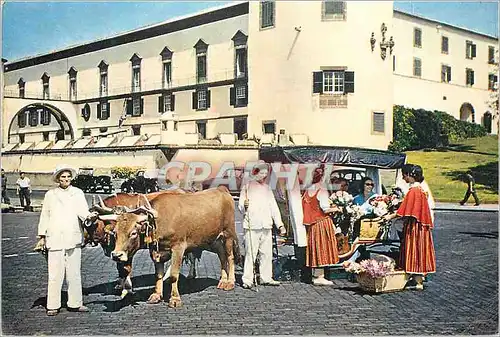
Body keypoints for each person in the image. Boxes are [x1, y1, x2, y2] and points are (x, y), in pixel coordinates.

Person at [37, 164, 98, 316]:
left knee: (74, 273)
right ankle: (52, 305)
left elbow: (83, 211)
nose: (66, 179)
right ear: (58, 179)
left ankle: (75, 303)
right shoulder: (50, 195)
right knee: (55, 274)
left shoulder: (77, 193)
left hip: (73, 236)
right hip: (55, 236)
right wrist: (42, 236)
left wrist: (90, 216)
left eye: (68, 177)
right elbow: (45, 216)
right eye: (63, 177)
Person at [383, 164, 436, 290]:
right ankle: (418, 280)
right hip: (421, 226)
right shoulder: (421, 189)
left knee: (413, 250)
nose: (404, 178)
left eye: (405, 175)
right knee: (419, 250)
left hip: (415, 227)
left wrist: (389, 217)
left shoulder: (414, 191)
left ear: (411, 175)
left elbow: (405, 210)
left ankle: (415, 280)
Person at [238, 163, 286, 289]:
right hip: (252, 225)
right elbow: (241, 205)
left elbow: (273, 207)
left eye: (266, 174)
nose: (264, 176)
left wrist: (280, 225)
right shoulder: (247, 187)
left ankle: (266, 277)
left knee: (266, 253)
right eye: (262, 173)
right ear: (255, 173)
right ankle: (247, 279)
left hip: (266, 225)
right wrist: (244, 206)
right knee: (250, 253)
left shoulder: (267, 188)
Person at [302, 165, 340, 286]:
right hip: (321, 222)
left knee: (316, 248)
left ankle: (316, 274)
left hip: (312, 224)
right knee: (322, 247)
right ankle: (319, 276)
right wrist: (338, 208)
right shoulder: (322, 190)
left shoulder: (308, 190)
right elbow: (325, 208)